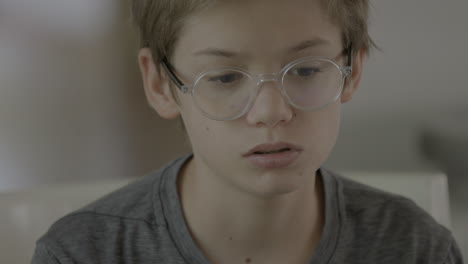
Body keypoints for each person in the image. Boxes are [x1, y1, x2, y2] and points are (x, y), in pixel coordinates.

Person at [32, 0, 464, 263]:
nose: (270, 112)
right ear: (161, 85)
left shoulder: (415, 248)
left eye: (307, 70)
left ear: (353, 70)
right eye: (223, 78)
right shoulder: (82, 255)